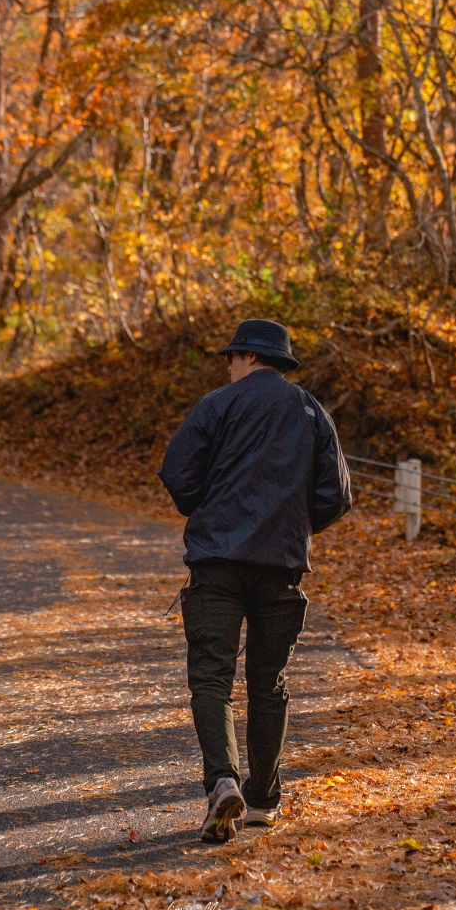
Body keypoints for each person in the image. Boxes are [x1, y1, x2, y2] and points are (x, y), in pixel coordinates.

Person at [159, 318, 351, 844]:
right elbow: (336, 496)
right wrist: (291, 522)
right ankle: (264, 799)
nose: (228, 366)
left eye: (231, 357)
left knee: (212, 676)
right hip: (281, 566)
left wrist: (211, 510)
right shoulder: (312, 411)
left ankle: (222, 780)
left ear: (246, 357)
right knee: (269, 681)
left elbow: (177, 475)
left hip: (216, 562)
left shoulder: (217, 405)